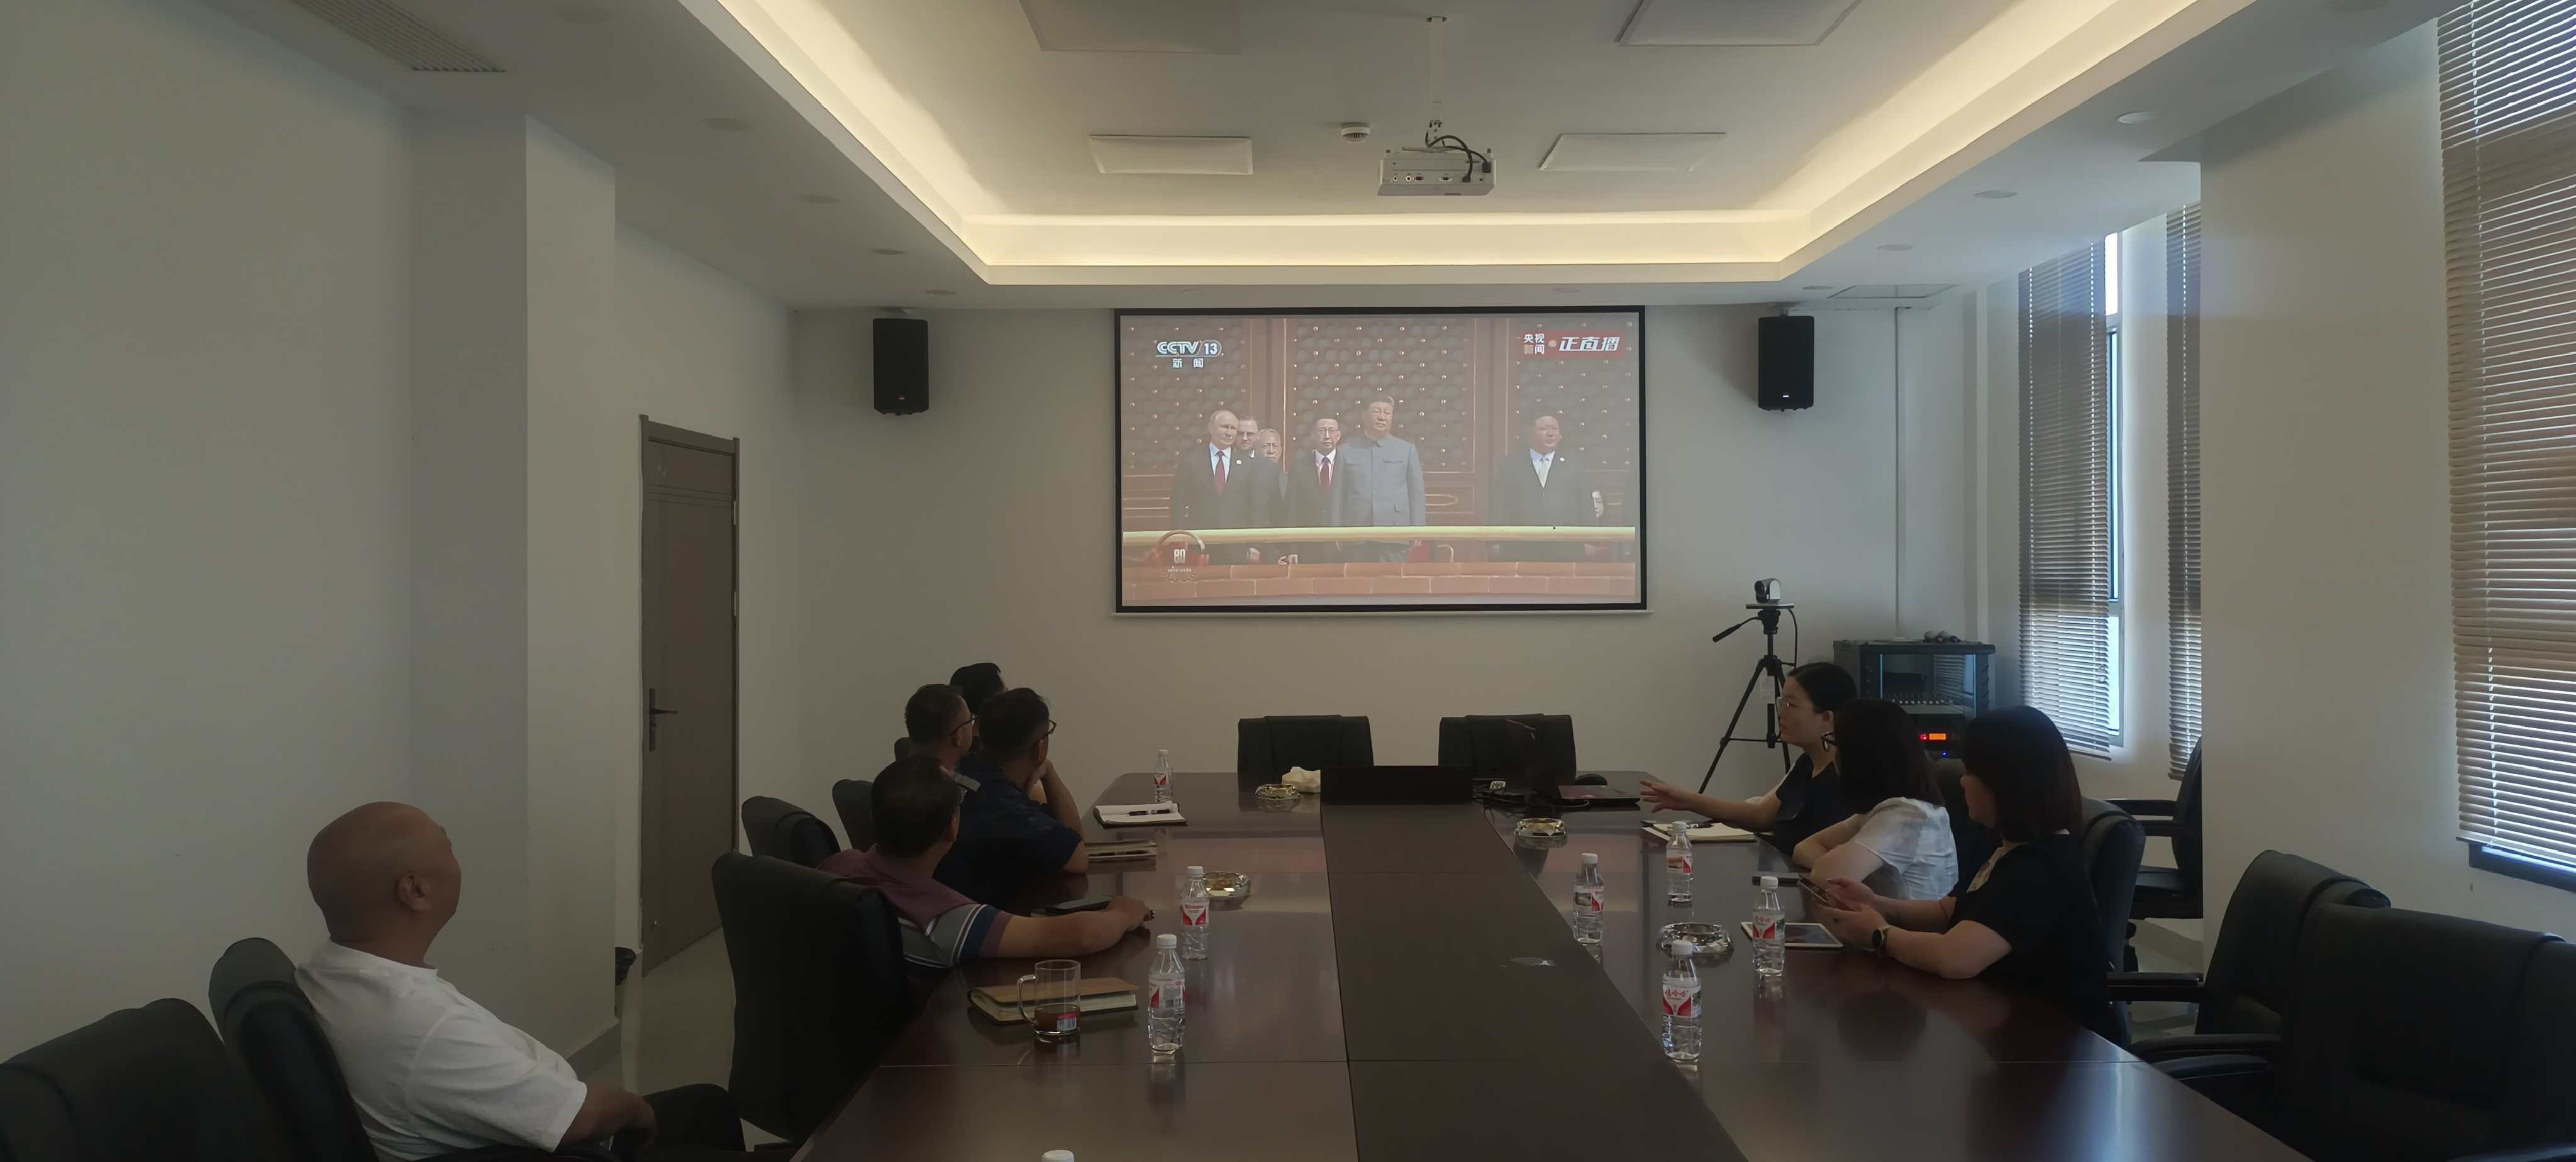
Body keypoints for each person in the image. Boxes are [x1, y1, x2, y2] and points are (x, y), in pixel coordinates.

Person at [297, 804, 752, 1161]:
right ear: (415, 891)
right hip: (563, 1147)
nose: (458, 861)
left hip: (513, 1127)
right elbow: (575, 1119)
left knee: (707, 1105)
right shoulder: (420, 1025)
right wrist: (635, 1108)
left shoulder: (326, 974)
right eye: (448, 846)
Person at [1813, 706, 2119, 1044]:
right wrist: (1877, 903)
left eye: (1971, 773)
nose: (1962, 781)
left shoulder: (2040, 867)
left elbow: (1955, 958)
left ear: (2004, 785)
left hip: (2063, 1046)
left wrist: (1880, 935)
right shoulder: (2007, 847)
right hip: (2010, 1023)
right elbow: (1949, 909)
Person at [822, 755, 1149, 983]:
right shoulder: (946, 920)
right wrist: (1122, 914)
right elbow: (1080, 937)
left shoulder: (838, 865)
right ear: (953, 828)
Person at [1638, 661, 1858, 849]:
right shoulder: (1806, 763)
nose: (1780, 713)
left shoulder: (1848, 775)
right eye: (1781, 703)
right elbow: (1760, 815)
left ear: (1827, 717)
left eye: (1791, 705)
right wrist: (1688, 800)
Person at [1790, 699, 1957, 899]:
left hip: (1897, 920)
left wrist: (1840, 861)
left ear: (1857, 756)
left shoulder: (1907, 815)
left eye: (1833, 743)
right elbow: (1803, 848)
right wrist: (1841, 863)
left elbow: (1825, 876)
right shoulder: (1888, 810)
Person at [937, 686, 1089, 904]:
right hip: (984, 913)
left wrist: (1047, 771)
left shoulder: (967, 768)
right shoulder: (1005, 807)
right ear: (1039, 748)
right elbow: (1077, 858)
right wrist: (1050, 773)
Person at [1165, 409, 1271, 564]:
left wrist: (1255, 545)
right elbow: (1178, 504)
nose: (1229, 433)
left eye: (1233, 429)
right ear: (1211, 428)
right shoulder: (1192, 461)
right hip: (1199, 543)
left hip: (1237, 546)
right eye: (1224, 427)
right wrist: (1180, 540)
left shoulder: (1248, 465)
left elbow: (1256, 506)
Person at [1487, 414, 1591, 561]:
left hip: (1566, 545)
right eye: (1544, 429)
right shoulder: (1510, 464)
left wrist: (1591, 539)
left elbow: (1585, 503)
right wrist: (1494, 540)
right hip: (1522, 545)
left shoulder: (1574, 463)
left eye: (1554, 429)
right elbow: (1499, 504)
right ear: (1529, 432)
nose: (1551, 434)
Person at [1337, 396, 1426, 563]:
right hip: (1356, 532)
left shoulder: (1407, 450)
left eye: (1387, 413)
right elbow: (1338, 496)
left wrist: (1418, 529)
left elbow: (1416, 494)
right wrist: (1335, 531)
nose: (1382, 417)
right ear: (1363, 416)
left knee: (1392, 579)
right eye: (1376, 412)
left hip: (1394, 533)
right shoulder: (1345, 451)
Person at [1279, 416, 1346, 565]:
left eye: (1331, 431)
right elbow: (1292, 509)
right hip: (1309, 544)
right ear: (1312, 435)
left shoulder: (1348, 465)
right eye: (1322, 431)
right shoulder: (1299, 467)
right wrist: (1292, 548)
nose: (1327, 436)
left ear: (1338, 436)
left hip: (1343, 544)